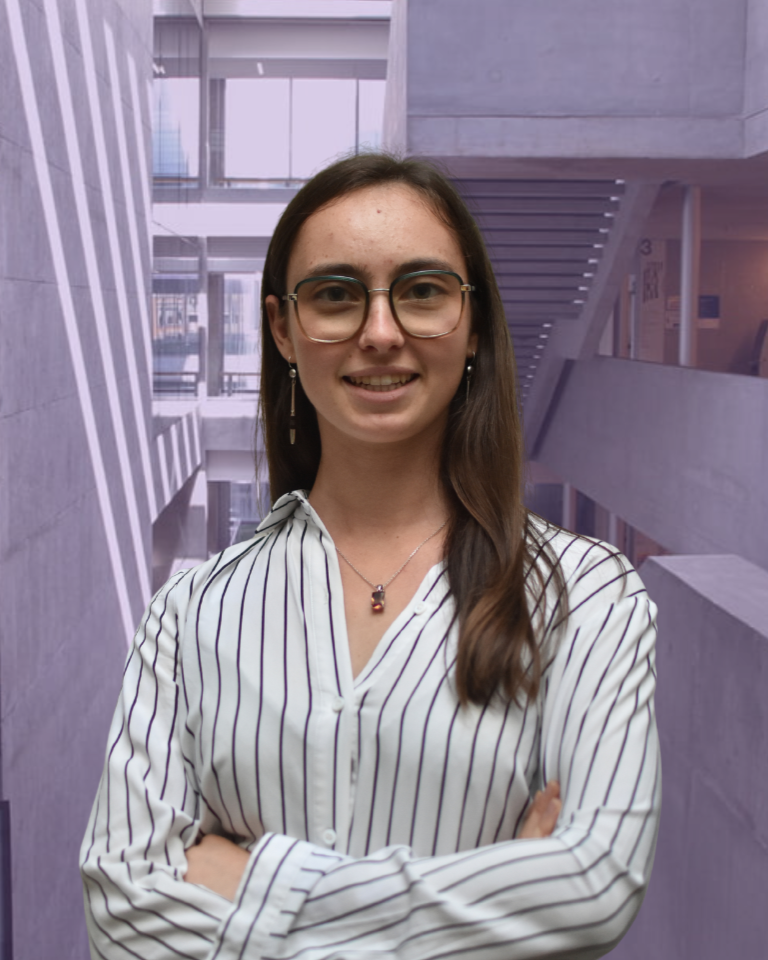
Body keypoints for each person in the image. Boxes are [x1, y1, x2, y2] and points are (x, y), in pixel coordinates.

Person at [80, 153, 660, 959]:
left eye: (421, 291)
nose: (380, 333)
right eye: (335, 295)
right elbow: (121, 907)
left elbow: (592, 887)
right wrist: (500, 889)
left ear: (474, 322)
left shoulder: (585, 595)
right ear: (283, 329)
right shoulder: (189, 615)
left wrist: (248, 881)